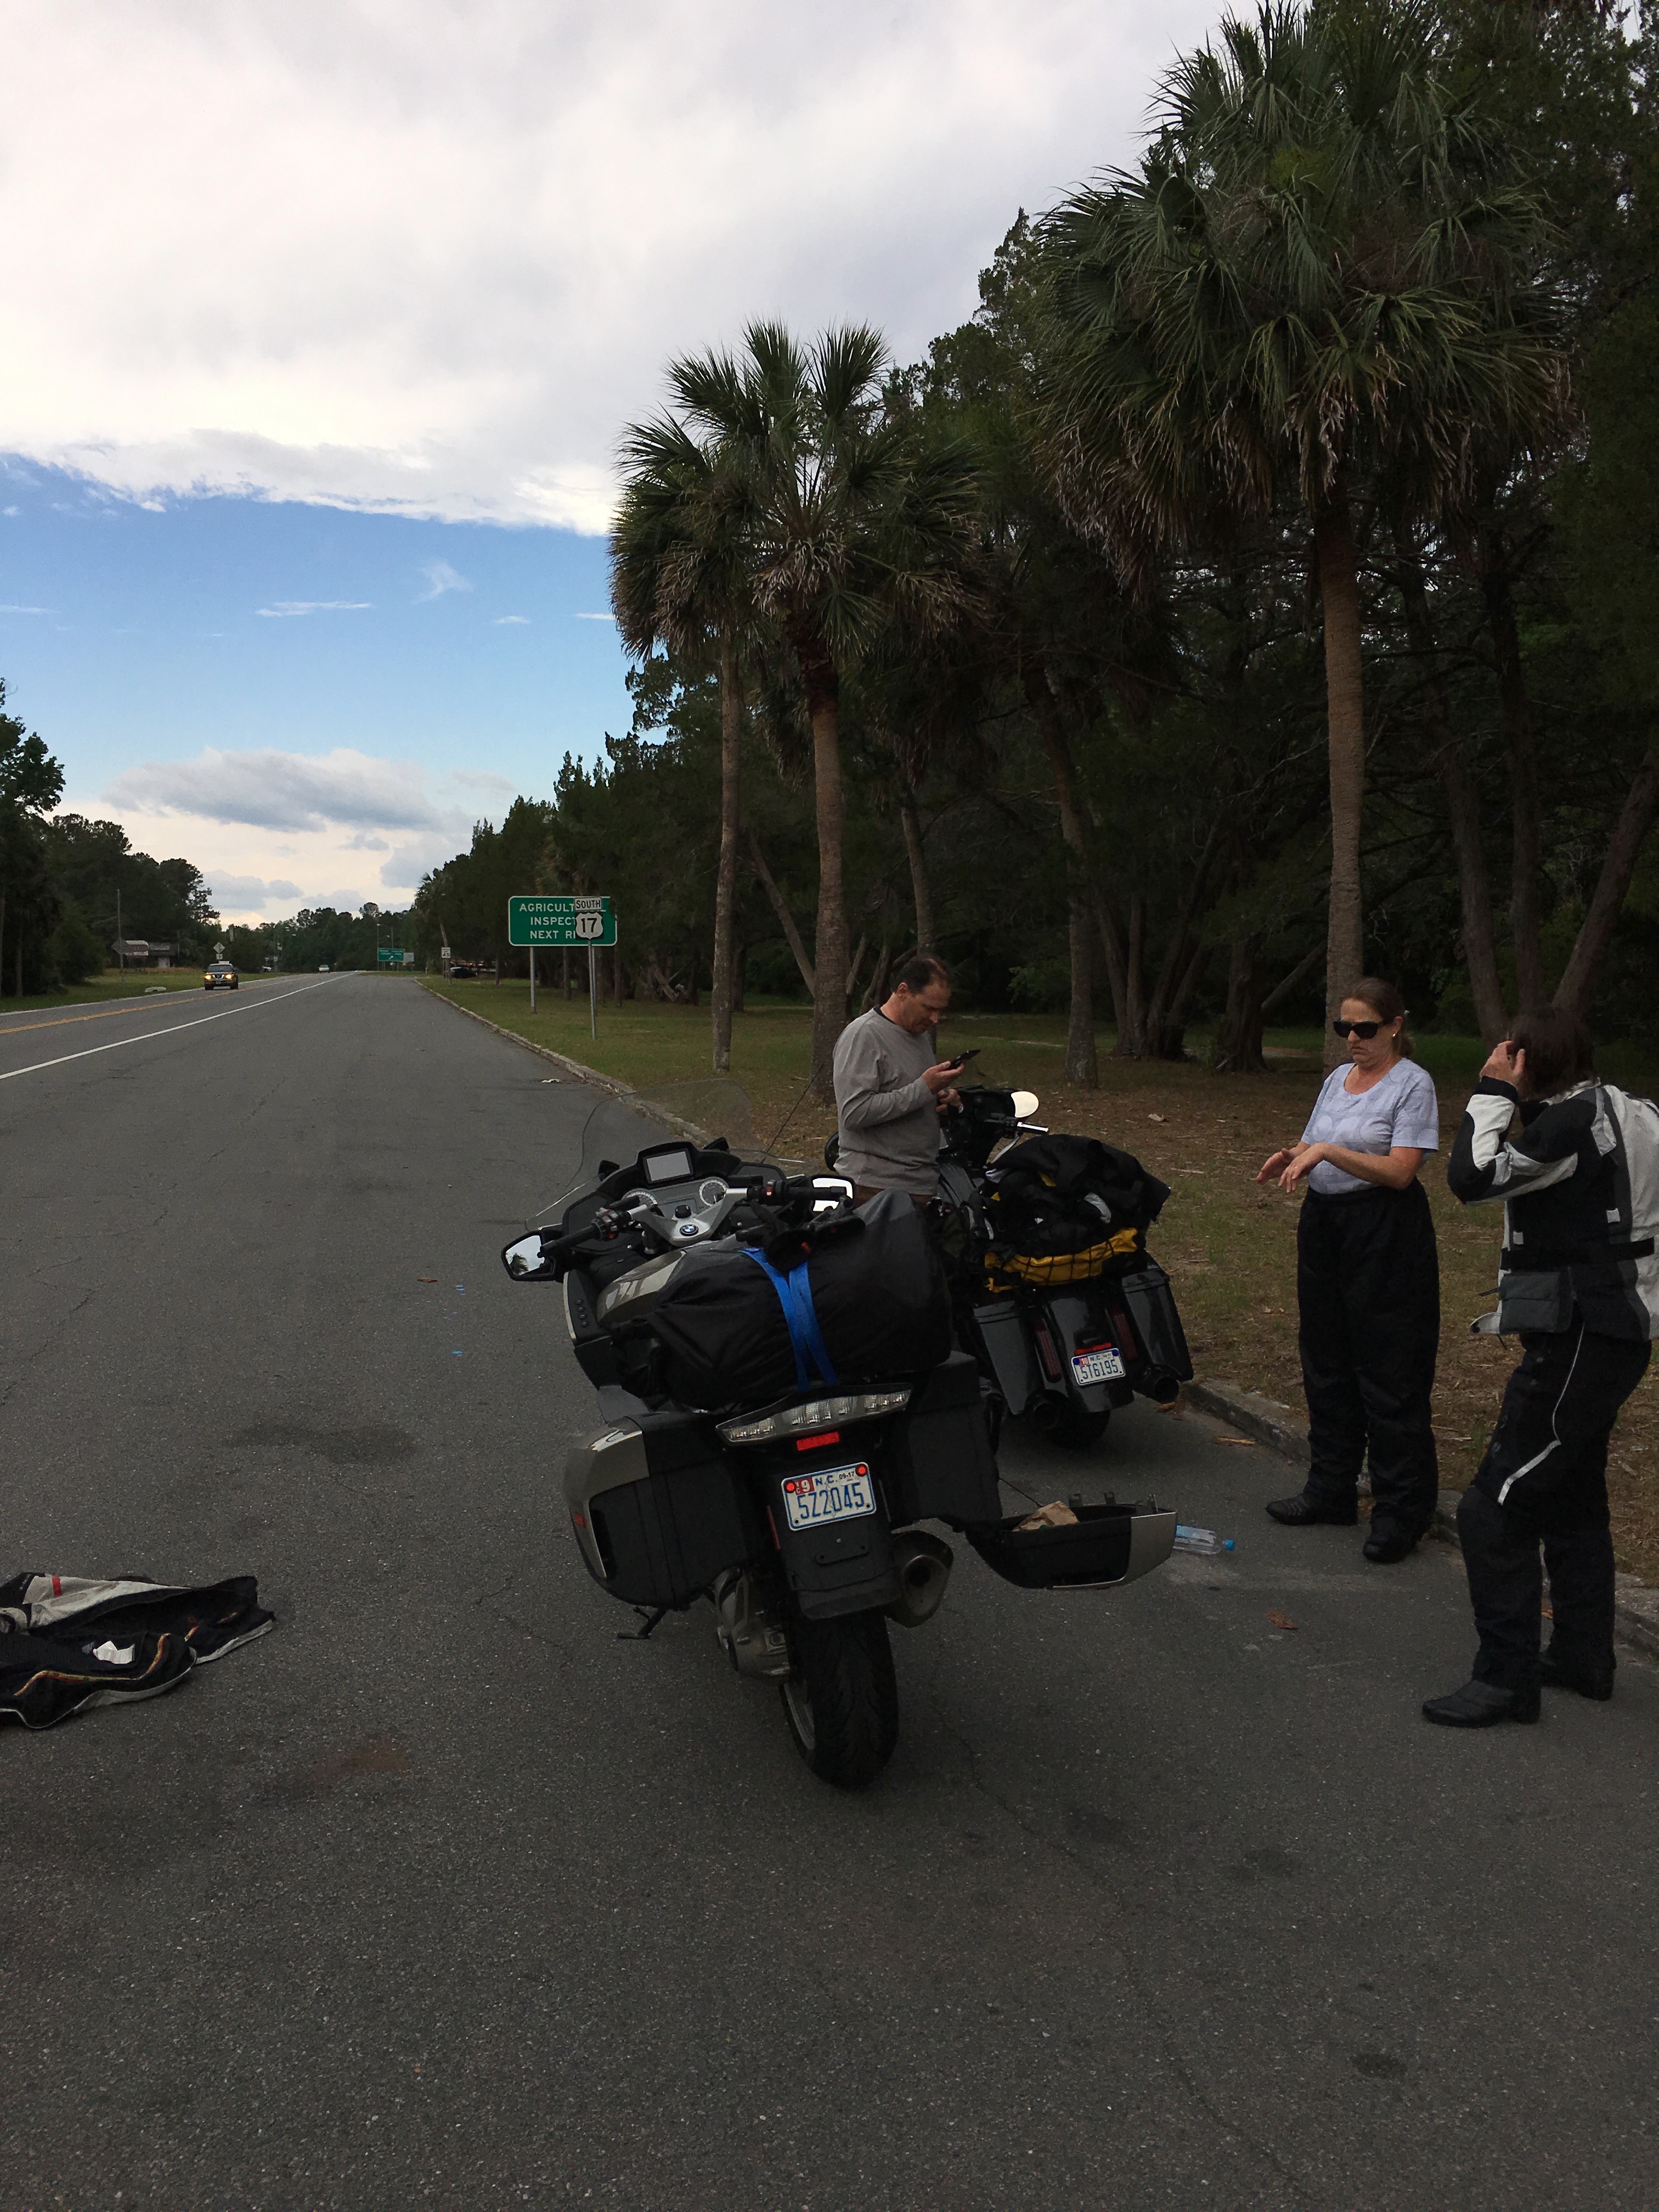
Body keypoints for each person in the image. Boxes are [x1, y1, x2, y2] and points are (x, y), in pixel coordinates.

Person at [1423, 1006, 1659, 1728]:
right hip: (1620, 1330)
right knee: (1571, 1494)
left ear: (1527, 1060)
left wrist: (1492, 1091)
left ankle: (1506, 1680)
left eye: (1512, 1056)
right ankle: (1584, 1657)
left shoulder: (1569, 1126)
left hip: (1583, 1334)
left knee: (1495, 1505)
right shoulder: (1633, 1110)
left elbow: (1472, 1176)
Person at [1255, 979, 1442, 1563]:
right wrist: (1294, 1155)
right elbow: (1314, 1142)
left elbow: (1401, 1171)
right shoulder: (1337, 1079)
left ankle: (1400, 1512)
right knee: (1326, 1360)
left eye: (1365, 1028)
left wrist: (1328, 1153)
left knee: (1389, 1368)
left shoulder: (1412, 1084)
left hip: (1384, 1231)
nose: (1353, 1039)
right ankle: (1331, 1488)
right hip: (1326, 1225)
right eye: (1344, 1028)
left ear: (1395, 1026)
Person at [832, 953, 963, 1205]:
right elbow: (854, 1113)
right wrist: (925, 1088)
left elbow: (910, 1094)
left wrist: (940, 1099)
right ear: (903, 991)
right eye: (929, 1008)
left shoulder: (919, 1034)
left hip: (918, 1183)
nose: (935, 1019)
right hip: (874, 1189)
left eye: (940, 1010)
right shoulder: (864, 1035)